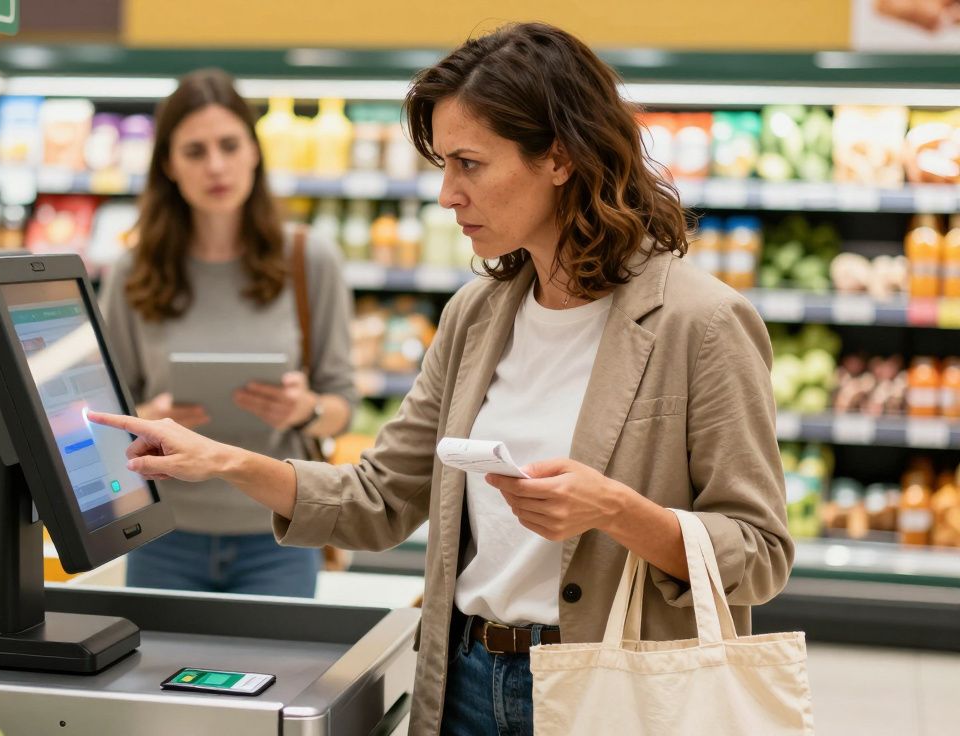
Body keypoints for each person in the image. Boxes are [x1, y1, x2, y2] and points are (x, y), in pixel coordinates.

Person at [90, 23, 792, 736]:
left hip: (610, 693)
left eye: (469, 164)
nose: (447, 195)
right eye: (441, 166)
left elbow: (760, 555)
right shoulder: (476, 318)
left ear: (559, 157)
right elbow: (376, 500)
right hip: (463, 681)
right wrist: (224, 460)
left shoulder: (699, 324)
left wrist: (616, 511)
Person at [99, 69, 357, 599]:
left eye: (228, 145)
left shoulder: (311, 260)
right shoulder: (132, 271)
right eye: (194, 151)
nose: (215, 165)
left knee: (278, 681)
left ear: (254, 152)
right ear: (168, 164)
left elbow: (342, 403)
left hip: (280, 532)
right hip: (162, 534)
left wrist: (303, 410)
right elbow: (106, 410)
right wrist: (148, 417)